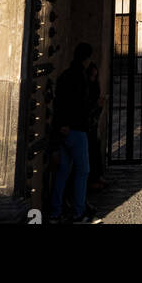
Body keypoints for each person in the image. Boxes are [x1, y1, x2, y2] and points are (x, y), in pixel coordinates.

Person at [49, 43, 100, 224]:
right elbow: (82, 104)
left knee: (62, 172)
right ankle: (79, 212)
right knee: (82, 172)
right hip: (77, 130)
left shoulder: (65, 75)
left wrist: (61, 124)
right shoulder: (82, 77)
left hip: (63, 130)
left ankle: (55, 212)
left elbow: (59, 101)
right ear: (86, 59)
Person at [86, 61, 106, 190]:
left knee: (96, 150)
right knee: (92, 153)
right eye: (92, 75)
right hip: (87, 124)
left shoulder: (94, 85)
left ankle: (97, 177)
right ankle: (93, 180)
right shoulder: (86, 86)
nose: (94, 77)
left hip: (93, 123)